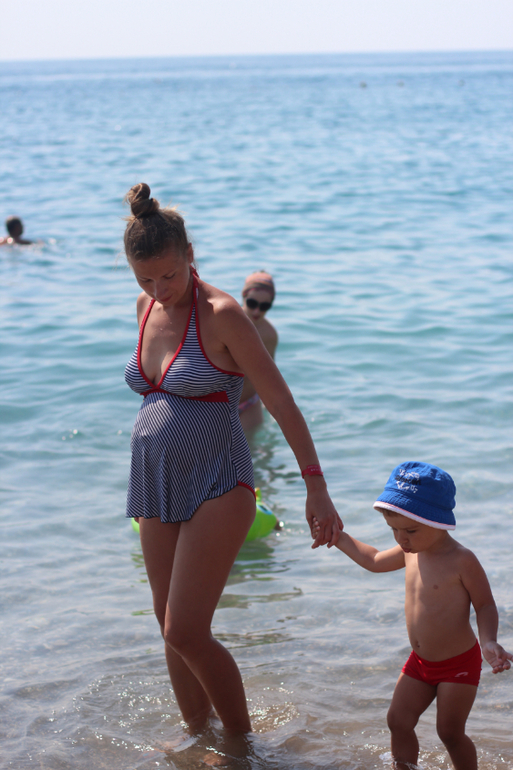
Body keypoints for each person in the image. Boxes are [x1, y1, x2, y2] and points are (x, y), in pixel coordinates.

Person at [122, 183, 342, 740]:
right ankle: (199, 737)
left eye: (169, 275)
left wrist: (315, 487)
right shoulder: (145, 307)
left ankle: (241, 746)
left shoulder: (222, 315)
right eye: (145, 279)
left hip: (219, 481)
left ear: (190, 254)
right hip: (155, 479)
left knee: (186, 630)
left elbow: (281, 401)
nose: (159, 289)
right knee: (167, 626)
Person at [313, 461, 512, 770]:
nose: (401, 539)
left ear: (438, 521)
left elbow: (485, 605)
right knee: (397, 721)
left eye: (410, 530)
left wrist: (489, 641)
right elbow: (374, 559)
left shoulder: (461, 560)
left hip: (458, 664)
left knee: (449, 732)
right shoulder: (410, 551)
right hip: (420, 662)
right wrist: (338, 538)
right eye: (393, 530)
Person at [238, 271, 278, 431]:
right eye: (252, 303)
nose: (257, 311)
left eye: (264, 306)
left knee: (250, 447)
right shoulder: (226, 322)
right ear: (243, 297)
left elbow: (269, 375)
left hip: (249, 404)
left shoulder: (269, 334)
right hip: (218, 403)